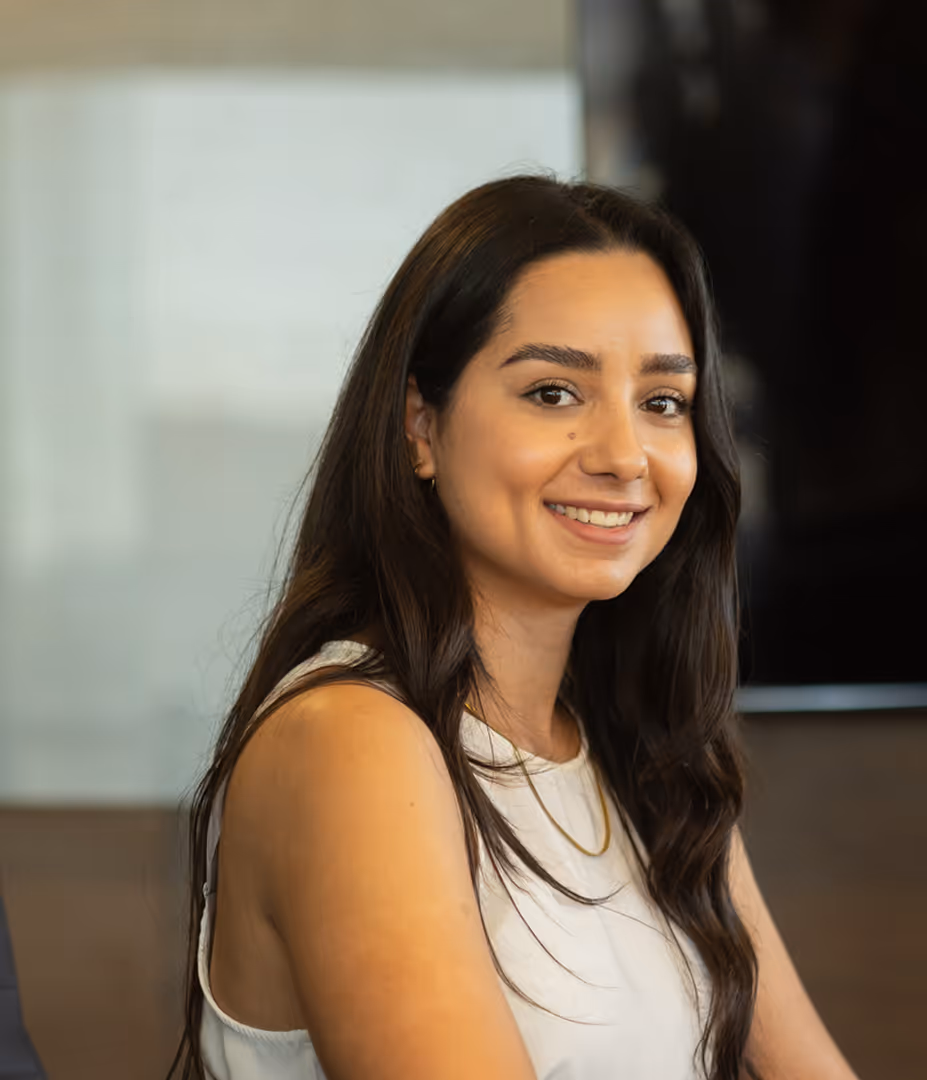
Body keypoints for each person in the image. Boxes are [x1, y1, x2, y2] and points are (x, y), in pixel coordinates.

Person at [167, 176, 858, 1080]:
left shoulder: (648, 753)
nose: (622, 457)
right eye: (553, 393)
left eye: (662, 402)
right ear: (422, 425)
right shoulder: (350, 740)